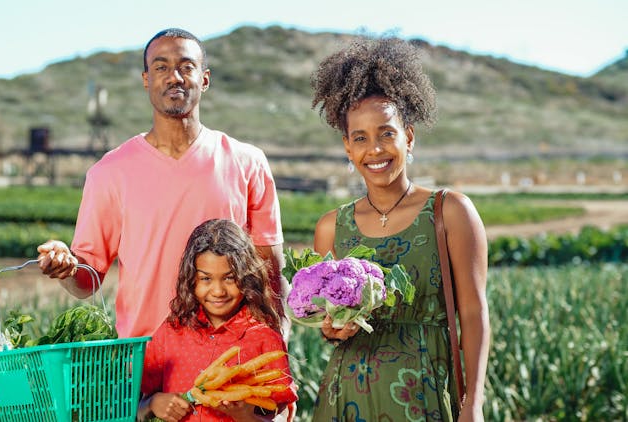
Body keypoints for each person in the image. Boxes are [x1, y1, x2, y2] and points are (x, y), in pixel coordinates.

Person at [36, 28, 288, 339]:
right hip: (144, 360)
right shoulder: (109, 172)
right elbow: (87, 282)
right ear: (146, 80)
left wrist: (279, 344)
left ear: (204, 79)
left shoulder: (247, 162)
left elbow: (271, 274)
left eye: (186, 67)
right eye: (161, 67)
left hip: (228, 359)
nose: (174, 77)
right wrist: (69, 268)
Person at [308, 36, 490, 421]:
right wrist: (331, 328)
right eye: (361, 138)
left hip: (426, 394)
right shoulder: (331, 228)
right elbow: (328, 323)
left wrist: (473, 404)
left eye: (386, 133)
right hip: (346, 397)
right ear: (347, 147)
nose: (374, 149)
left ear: (408, 137)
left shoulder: (449, 211)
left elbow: (474, 314)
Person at [138, 219, 297, 422]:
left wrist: (245, 416)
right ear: (191, 279)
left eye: (229, 278)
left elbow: (283, 415)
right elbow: (137, 403)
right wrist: (152, 404)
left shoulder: (264, 339)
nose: (218, 291)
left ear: (246, 278)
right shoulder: (171, 331)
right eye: (206, 278)